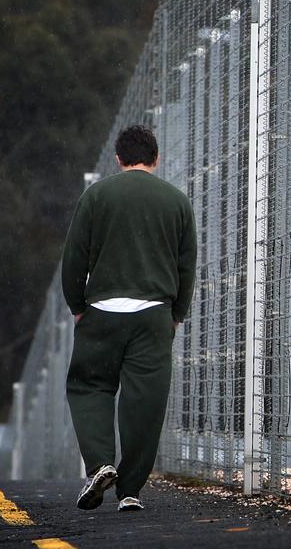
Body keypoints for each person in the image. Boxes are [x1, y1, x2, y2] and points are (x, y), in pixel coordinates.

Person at [61, 124, 196, 512]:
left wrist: (78, 305)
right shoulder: (176, 201)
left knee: (90, 387)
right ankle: (131, 489)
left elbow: (75, 257)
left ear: (118, 159)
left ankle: (101, 463)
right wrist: (176, 314)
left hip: (101, 310)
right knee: (145, 402)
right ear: (156, 159)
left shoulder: (97, 196)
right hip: (154, 313)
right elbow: (186, 265)